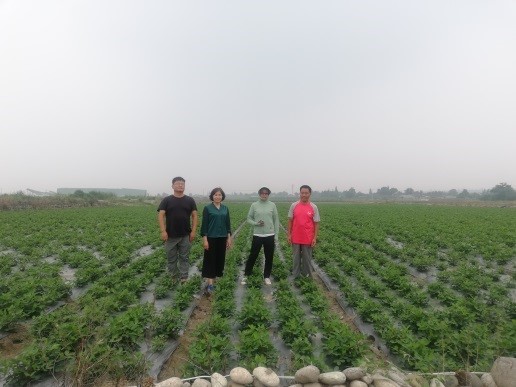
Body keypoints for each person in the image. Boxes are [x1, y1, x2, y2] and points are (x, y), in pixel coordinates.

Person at [157, 176, 198, 283]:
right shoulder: (166, 200)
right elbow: (161, 215)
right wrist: (163, 231)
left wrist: (193, 231)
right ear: (172, 186)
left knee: (184, 257)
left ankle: (184, 277)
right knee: (171, 258)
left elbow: (194, 216)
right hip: (170, 235)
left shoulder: (190, 200)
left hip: (185, 235)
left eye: (182, 184)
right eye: (178, 183)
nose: (180, 185)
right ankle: (173, 276)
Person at [241, 187, 279, 286]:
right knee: (253, 255)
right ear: (259, 194)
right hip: (257, 234)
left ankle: (266, 276)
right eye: (262, 193)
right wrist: (256, 223)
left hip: (269, 235)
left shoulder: (272, 205)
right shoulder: (254, 205)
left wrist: (276, 235)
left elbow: (276, 220)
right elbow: (248, 218)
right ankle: (246, 274)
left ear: (268, 195)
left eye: (266, 193)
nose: (264, 195)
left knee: (269, 257)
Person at [200, 187, 232, 295]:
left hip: (222, 237)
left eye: (219, 195)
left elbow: (228, 225)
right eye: (215, 195)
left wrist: (229, 237)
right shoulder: (208, 208)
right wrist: (205, 239)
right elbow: (204, 225)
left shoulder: (225, 208)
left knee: (220, 259)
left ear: (222, 196)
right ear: (212, 196)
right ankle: (210, 283)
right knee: (210, 260)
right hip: (211, 238)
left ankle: (215, 279)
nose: (218, 196)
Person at [287, 185, 320, 278]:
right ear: (300, 193)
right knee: (296, 259)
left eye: (306, 193)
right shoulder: (294, 205)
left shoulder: (314, 207)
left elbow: (316, 223)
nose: (304, 195)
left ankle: (307, 276)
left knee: (307, 259)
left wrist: (314, 238)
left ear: (310, 194)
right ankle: (296, 276)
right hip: (295, 237)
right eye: (302, 193)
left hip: (308, 238)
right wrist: (289, 235)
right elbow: (290, 221)